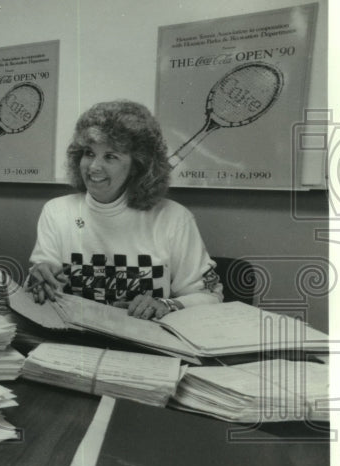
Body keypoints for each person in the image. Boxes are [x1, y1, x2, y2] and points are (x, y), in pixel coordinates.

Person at [28, 100, 222, 319]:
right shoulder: (57, 211)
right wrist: (40, 280)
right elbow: (44, 282)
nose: (93, 167)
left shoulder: (174, 218)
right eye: (89, 153)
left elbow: (209, 296)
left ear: (138, 166)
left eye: (110, 156)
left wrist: (166, 305)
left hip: (148, 344)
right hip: (76, 344)